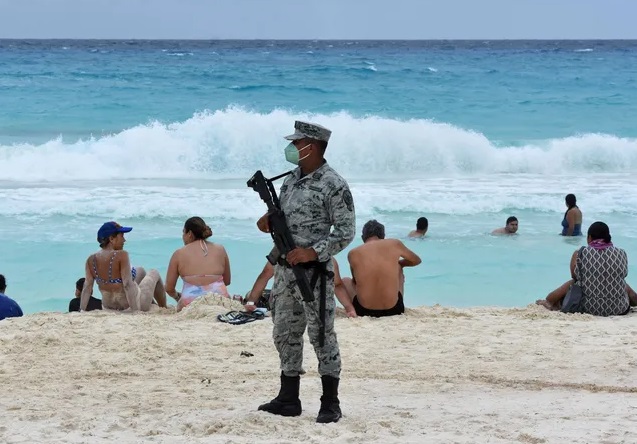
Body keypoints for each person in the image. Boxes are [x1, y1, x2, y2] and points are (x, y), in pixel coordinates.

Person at [255, 120, 355, 423]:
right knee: (285, 332)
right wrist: (268, 223)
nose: (292, 148)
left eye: (297, 143)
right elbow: (286, 224)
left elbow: (346, 231)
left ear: (312, 146)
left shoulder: (333, 184)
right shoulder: (290, 179)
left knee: (322, 335)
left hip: (314, 274)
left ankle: (330, 402)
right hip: (286, 272)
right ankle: (288, 398)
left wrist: (313, 253)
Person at [536, 221, 637, 316]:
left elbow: (575, 276)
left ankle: (549, 301)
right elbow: (623, 274)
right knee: (621, 283)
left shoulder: (580, 253)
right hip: (619, 309)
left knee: (573, 282)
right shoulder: (621, 253)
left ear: (589, 237)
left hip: (588, 308)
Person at [80, 221, 167, 312]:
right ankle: (164, 307)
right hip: (129, 306)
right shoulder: (121, 255)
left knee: (140, 270)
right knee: (154, 272)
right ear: (111, 239)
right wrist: (135, 311)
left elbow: (87, 287)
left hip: (108, 308)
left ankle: (153, 303)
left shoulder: (91, 259)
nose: (124, 240)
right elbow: (127, 285)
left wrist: (82, 310)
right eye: (121, 236)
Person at [344, 220, 421, 317]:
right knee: (398, 268)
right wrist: (399, 264)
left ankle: (351, 309)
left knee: (346, 281)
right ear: (383, 236)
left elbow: (355, 282)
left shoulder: (353, 253)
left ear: (363, 237)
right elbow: (416, 260)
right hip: (395, 310)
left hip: (364, 311)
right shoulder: (394, 244)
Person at [244, 258, 357, 318]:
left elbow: (265, 275)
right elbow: (337, 285)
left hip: (285, 305)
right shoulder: (329, 259)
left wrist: (250, 303)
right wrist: (349, 308)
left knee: (251, 295)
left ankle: (248, 301)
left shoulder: (283, 252)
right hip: (317, 308)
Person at [165, 217, 231, 311]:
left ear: (190, 234)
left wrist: (177, 297)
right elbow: (227, 281)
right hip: (219, 300)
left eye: (183, 232)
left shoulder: (178, 254)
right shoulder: (220, 249)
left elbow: (169, 288)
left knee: (182, 303)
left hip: (190, 303)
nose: (182, 236)